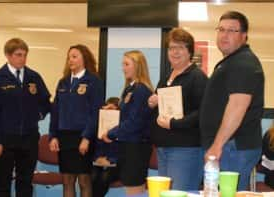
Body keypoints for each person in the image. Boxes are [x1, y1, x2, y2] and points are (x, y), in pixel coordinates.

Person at [200, 11, 264, 190]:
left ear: (244, 36)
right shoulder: (231, 62)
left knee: (228, 193)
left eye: (232, 31)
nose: (224, 35)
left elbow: (237, 106)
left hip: (233, 147)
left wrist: (216, 146)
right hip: (229, 147)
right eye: (221, 29)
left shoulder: (243, 64)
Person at [0, 38, 51, 197]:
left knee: (25, 181)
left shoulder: (34, 77)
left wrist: (39, 115)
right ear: (7, 55)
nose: (22, 58)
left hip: (29, 138)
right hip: (5, 140)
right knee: (2, 181)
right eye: (18, 55)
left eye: (25, 55)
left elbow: (45, 101)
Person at [148, 28, 207, 190]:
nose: (175, 52)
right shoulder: (167, 77)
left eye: (180, 47)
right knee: (165, 193)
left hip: (185, 149)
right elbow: (161, 108)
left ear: (189, 51)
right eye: (172, 48)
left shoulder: (197, 77)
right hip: (163, 147)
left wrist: (174, 124)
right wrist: (154, 101)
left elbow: (202, 113)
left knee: (180, 193)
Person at [49, 44, 104, 197]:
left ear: (84, 59)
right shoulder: (63, 82)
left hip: (83, 137)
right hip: (64, 137)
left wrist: (86, 137)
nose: (70, 60)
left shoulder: (94, 81)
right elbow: (56, 111)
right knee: (67, 180)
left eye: (74, 56)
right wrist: (53, 135)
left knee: (84, 180)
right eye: (68, 57)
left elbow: (96, 112)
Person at [102, 50, 154, 196]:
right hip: (128, 147)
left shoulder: (141, 90)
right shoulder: (130, 89)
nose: (123, 68)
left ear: (137, 66)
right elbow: (129, 114)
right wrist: (116, 109)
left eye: (126, 64)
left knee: (134, 191)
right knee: (131, 189)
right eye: (122, 64)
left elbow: (134, 122)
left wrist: (111, 133)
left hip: (136, 148)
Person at [91, 97, 120, 197]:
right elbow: (95, 148)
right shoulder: (99, 126)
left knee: (105, 177)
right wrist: (97, 159)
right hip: (99, 162)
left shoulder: (123, 129)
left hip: (116, 164)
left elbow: (123, 152)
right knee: (92, 176)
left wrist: (110, 160)